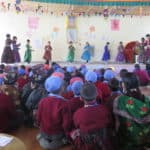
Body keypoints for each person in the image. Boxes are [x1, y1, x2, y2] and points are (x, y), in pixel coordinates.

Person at [113, 72, 150, 150]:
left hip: (128, 140)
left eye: (122, 82)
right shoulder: (146, 99)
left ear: (125, 84)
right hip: (145, 138)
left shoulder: (120, 100)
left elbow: (117, 123)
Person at [71, 83, 112, 150]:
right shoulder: (104, 109)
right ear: (96, 95)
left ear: (81, 98)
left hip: (87, 145)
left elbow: (77, 126)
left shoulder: (78, 114)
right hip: (104, 143)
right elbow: (109, 123)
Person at [36, 76, 72, 150]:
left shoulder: (43, 100)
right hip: (57, 134)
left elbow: (38, 117)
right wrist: (68, 134)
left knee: (43, 137)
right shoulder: (65, 103)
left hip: (44, 131)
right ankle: (59, 142)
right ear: (62, 88)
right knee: (67, 139)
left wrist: (41, 128)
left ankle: (43, 139)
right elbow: (66, 124)